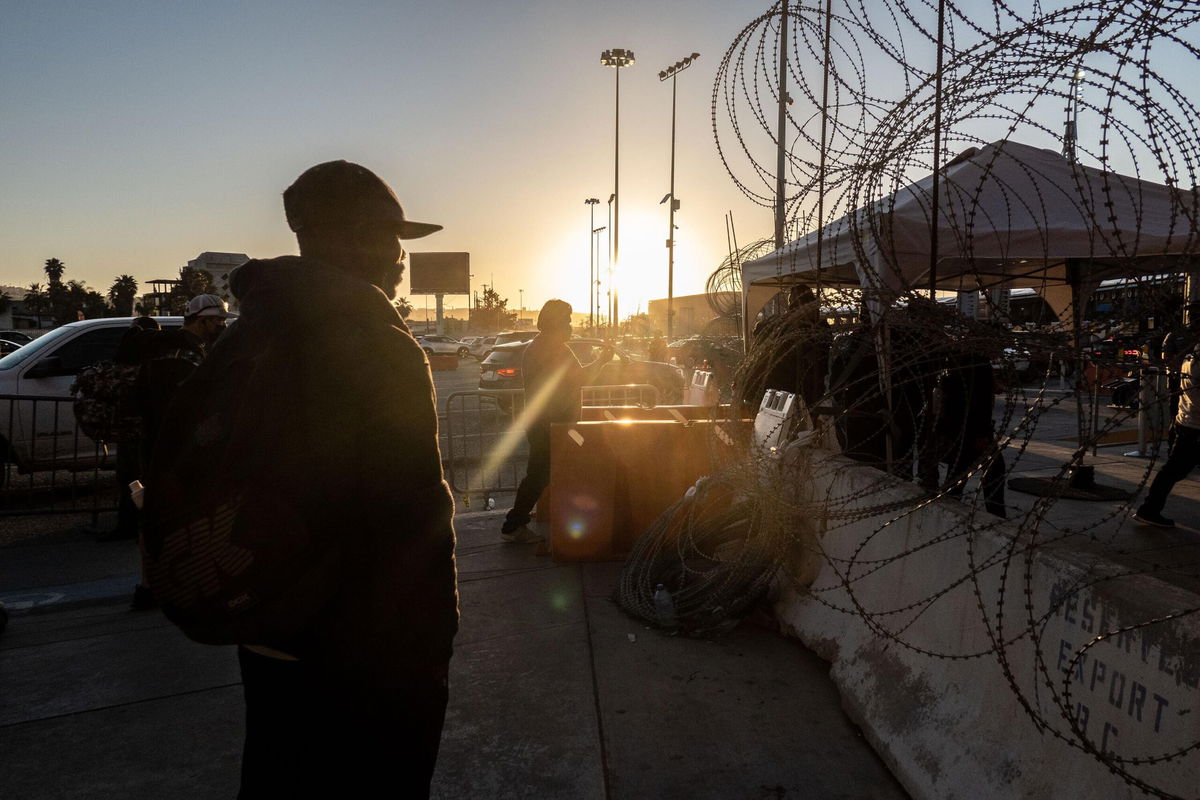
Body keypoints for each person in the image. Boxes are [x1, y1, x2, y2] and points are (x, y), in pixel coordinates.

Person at [199, 160, 458, 797]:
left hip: (268, 623)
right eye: (391, 238)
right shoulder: (374, 344)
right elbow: (409, 513)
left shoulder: (250, 334)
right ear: (355, 239)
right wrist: (431, 641)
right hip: (362, 645)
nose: (400, 258)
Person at [501, 299, 612, 544]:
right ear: (556, 322)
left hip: (544, 422)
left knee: (541, 473)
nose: (570, 326)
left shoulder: (541, 347)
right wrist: (602, 360)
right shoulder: (553, 349)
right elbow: (579, 377)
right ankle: (514, 525)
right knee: (540, 475)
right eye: (567, 321)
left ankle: (523, 521)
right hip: (550, 424)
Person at [96, 315, 161, 543]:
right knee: (135, 480)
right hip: (144, 432)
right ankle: (137, 524)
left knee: (131, 480)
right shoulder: (155, 363)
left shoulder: (130, 365)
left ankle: (132, 525)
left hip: (134, 432)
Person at [1136, 317, 1200, 528]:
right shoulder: (1194, 357)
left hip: (1189, 421)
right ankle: (1149, 508)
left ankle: (1150, 508)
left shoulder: (1191, 355)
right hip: (1194, 424)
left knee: (1175, 469)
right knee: (1175, 469)